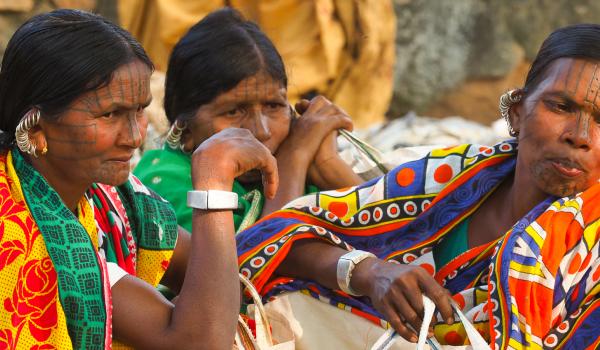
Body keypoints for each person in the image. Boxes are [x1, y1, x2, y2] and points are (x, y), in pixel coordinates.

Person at [237, 24, 600, 348]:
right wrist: (368, 271)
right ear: (518, 111)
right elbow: (277, 239)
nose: (580, 137)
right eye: (561, 106)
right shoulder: (449, 176)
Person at [0, 9, 277, 349]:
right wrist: (212, 185)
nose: (134, 136)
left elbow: (223, 279)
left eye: (140, 110)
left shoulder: (109, 196)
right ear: (38, 127)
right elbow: (199, 342)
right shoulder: (12, 229)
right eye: (110, 114)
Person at [134, 8, 362, 234]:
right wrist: (294, 156)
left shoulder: (298, 171)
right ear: (185, 130)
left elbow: (392, 235)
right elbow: (255, 261)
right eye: (233, 111)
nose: (261, 131)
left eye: (274, 106)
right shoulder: (164, 182)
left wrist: (328, 164)